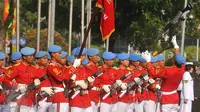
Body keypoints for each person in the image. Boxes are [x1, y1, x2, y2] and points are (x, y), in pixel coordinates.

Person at [141, 36, 185, 112]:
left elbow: (153, 73)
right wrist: (176, 47)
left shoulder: (168, 71)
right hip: (174, 97)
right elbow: (181, 60)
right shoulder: (182, 69)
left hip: (166, 99)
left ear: (174, 62)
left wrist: (148, 61)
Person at [4, 47, 41, 112]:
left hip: (32, 100)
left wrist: (38, 83)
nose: (32, 57)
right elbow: (5, 80)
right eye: (30, 56)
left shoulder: (34, 68)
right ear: (24, 57)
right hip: (21, 99)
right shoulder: (17, 67)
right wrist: (18, 85)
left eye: (33, 55)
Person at [69, 47, 93, 112]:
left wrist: (90, 83)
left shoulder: (86, 69)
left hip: (86, 99)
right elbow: (68, 84)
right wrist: (77, 83)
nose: (83, 57)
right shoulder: (71, 69)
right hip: (76, 97)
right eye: (82, 55)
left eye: (84, 55)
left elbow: (90, 87)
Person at [47, 45, 69, 112]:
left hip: (63, 96)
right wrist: (73, 67)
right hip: (58, 96)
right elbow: (61, 78)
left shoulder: (58, 66)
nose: (60, 55)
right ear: (53, 54)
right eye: (59, 53)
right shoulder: (52, 66)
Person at [86, 48, 100, 112]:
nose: (97, 57)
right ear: (90, 57)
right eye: (96, 55)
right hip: (90, 94)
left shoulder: (97, 67)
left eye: (97, 55)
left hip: (97, 94)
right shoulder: (88, 67)